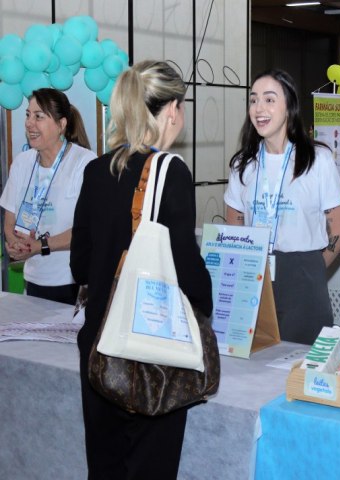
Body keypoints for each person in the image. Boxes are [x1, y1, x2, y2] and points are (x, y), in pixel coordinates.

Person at [70, 61, 213, 478]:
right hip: (152, 353)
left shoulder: (95, 170)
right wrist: (209, 307)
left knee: (106, 467)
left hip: (99, 347)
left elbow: (80, 265)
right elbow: (187, 271)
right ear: (172, 110)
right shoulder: (171, 172)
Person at [225, 69, 340, 345]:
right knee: (254, 365)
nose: (259, 108)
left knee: (302, 367)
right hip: (253, 274)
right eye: (254, 100)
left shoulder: (317, 160)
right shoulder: (243, 165)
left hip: (304, 274)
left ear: (289, 106)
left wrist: (315, 265)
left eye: (269, 100)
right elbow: (233, 221)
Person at [0, 88, 95, 305]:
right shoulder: (22, 162)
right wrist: (15, 243)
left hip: (73, 282)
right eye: (28, 115)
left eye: (39, 116)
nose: (29, 123)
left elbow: (87, 229)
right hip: (33, 280)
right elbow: (9, 222)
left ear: (61, 125)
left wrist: (40, 245)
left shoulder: (84, 163)